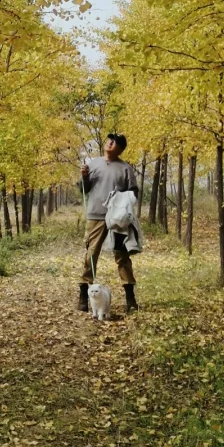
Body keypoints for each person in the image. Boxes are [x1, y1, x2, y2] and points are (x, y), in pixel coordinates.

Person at [78, 132, 139, 314]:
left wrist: (121, 203)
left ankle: (130, 298)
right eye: (110, 140)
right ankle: (83, 295)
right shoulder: (92, 164)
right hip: (95, 215)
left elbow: (133, 192)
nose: (111, 143)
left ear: (120, 149)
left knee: (122, 256)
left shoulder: (125, 168)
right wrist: (84, 177)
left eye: (116, 142)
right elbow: (83, 189)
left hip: (117, 219)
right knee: (91, 253)